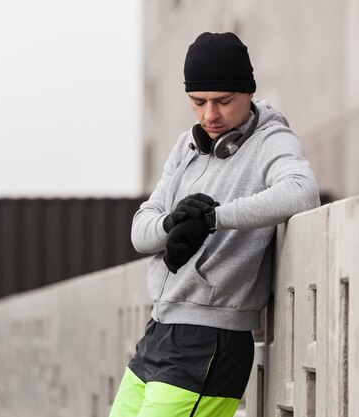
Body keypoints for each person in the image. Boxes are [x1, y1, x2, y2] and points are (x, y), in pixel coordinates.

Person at [109, 32, 320, 417]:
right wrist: (173, 222)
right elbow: (141, 231)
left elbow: (301, 191)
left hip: (210, 340)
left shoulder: (272, 140)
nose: (210, 116)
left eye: (223, 101)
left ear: (249, 93)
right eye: (198, 102)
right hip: (159, 327)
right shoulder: (186, 146)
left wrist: (213, 219)